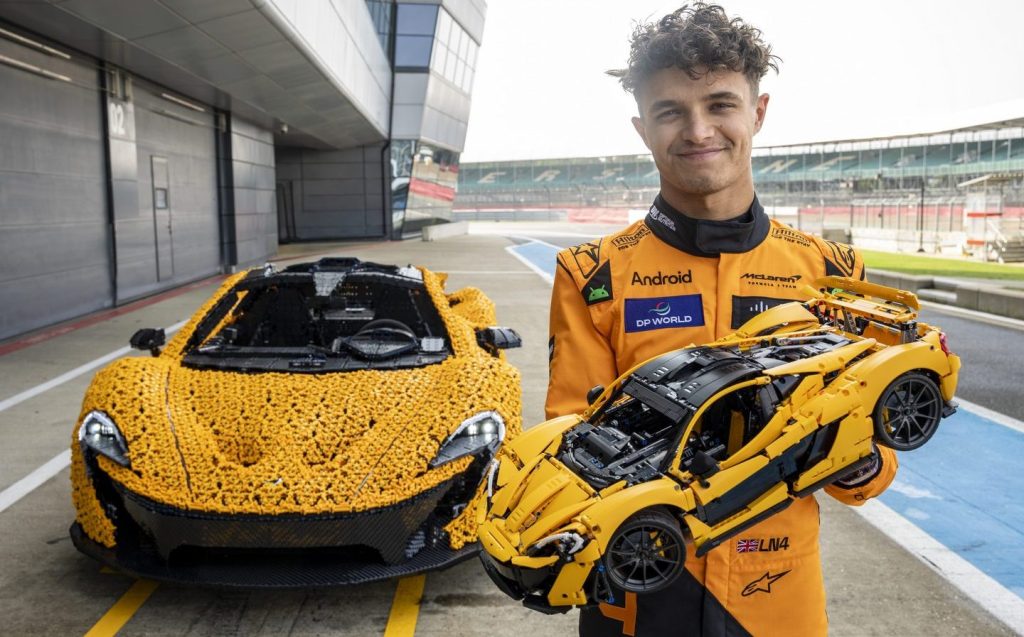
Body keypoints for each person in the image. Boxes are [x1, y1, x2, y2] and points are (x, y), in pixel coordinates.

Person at [545, 4, 897, 636]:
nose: (698, 129)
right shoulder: (590, 273)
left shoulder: (831, 271)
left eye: (720, 104)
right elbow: (573, 443)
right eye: (670, 110)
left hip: (778, 596)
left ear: (758, 113)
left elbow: (873, 444)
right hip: (638, 587)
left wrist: (863, 463)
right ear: (642, 128)